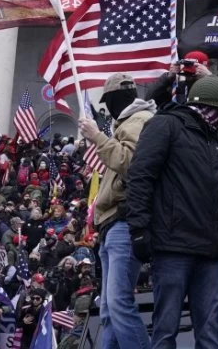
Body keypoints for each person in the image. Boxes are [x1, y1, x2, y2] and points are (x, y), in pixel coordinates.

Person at [127, 76, 218, 349]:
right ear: (212, 107)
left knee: (210, 334)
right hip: (173, 247)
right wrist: (139, 230)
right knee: (166, 330)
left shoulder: (214, 142)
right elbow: (140, 177)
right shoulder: (165, 125)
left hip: (211, 251)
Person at [80, 73, 155, 349]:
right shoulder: (127, 122)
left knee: (119, 304)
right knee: (110, 310)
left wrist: (98, 137)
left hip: (123, 222)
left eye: (108, 101)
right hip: (111, 223)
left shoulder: (138, 121)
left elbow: (131, 162)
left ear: (115, 99)